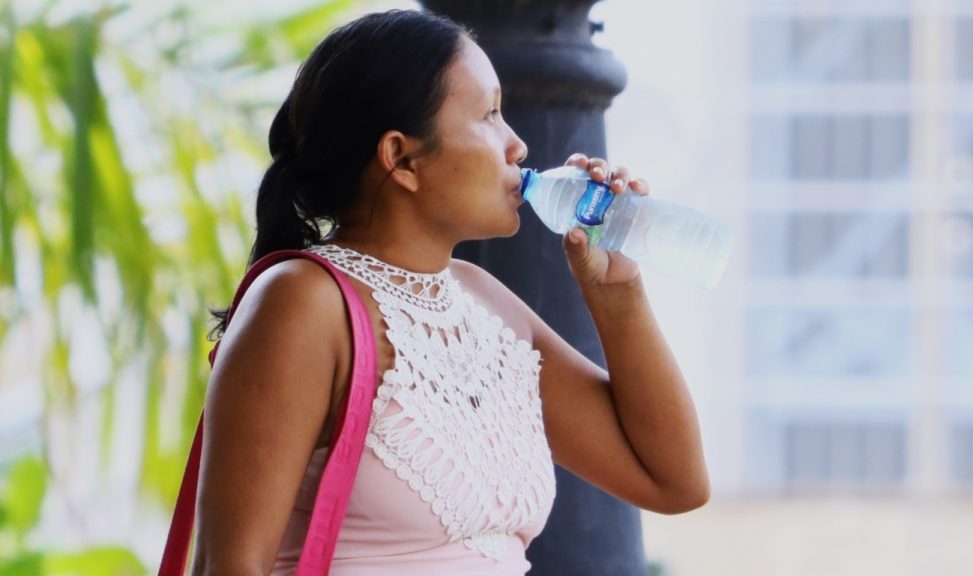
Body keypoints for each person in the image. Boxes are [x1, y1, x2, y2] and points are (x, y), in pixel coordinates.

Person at [191, 9, 709, 576]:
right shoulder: (303, 301)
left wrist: (619, 291)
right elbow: (230, 565)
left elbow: (674, 481)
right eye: (489, 115)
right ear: (402, 158)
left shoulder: (480, 300)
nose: (517, 145)